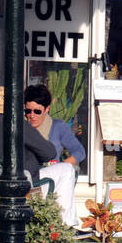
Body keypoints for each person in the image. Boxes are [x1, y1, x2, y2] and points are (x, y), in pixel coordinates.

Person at [25, 83, 87, 224]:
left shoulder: (58, 127)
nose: (32, 116)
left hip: (49, 180)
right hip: (26, 180)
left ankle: (65, 226)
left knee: (66, 170)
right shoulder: (22, 127)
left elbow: (79, 152)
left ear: (47, 109)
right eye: (28, 111)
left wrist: (60, 167)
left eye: (37, 111)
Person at [0, 86, 59, 173]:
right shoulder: (21, 127)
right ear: (13, 108)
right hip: (25, 183)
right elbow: (49, 153)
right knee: (67, 169)